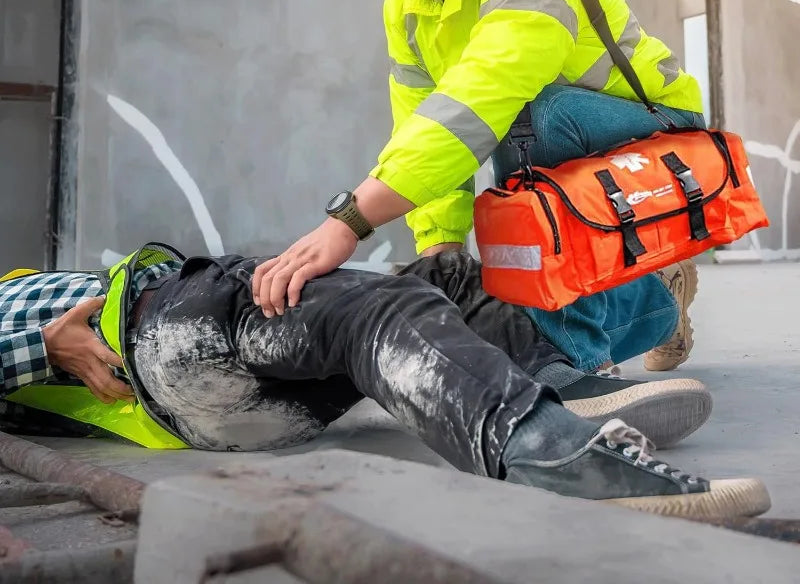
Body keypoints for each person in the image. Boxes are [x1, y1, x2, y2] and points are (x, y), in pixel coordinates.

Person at [251, 0, 704, 375]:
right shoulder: (410, 6)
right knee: (516, 166)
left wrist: (351, 220)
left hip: (661, 135)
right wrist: (441, 247)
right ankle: (639, 293)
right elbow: (423, 122)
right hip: (563, 137)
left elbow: (475, 104)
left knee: (529, 115)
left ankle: (588, 342)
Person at [0, 244, 766, 518]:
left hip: (203, 387)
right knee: (378, 312)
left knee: (441, 279)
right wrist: (45, 352)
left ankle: (555, 383)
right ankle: (554, 453)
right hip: (164, 337)